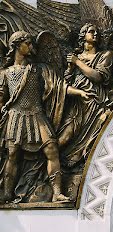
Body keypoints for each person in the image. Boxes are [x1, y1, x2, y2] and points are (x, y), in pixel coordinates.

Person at [0, 31, 89, 203]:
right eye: (28, 43)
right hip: (15, 116)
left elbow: (58, 87)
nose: (31, 47)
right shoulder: (5, 74)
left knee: (52, 149)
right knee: (12, 154)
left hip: (37, 114)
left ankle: (57, 192)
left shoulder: (39, 69)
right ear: (18, 46)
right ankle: (6, 194)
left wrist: (77, 92)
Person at [59, 23, 113, 168]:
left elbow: (98, 77)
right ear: (83, 35)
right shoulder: (76, 57)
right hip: (76, 104)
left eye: (96, 32)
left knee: (90, 141)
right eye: (91, 31)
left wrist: (77, 62)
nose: (95, 34)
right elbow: (66, 82)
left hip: (95, 104)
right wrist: (70, 69)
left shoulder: (105, 55)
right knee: (64, 138)